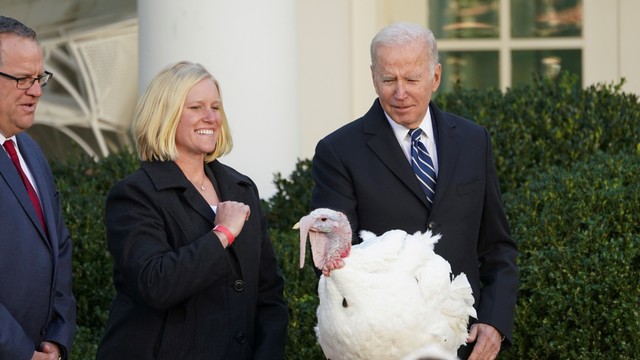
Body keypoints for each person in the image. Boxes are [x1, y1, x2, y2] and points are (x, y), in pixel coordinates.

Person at [310, 22, 518, 360]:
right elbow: (334, 265)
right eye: (389, 80)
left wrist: (494, 322)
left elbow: (497, 247)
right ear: (374, 77)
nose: (400, 92)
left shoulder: (473, 140)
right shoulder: (337, 152)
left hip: (466, 344)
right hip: (383, 350)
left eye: (411, 79)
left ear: (435, 77)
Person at [96, 61, 289, 359]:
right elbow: (155, 284)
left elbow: (269, 294)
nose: (211, 117)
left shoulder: (241, 189)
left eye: (216, 107)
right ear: (166, 116)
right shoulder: (135, 194)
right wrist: (222, 234)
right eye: (196, 107)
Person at [0, 16, 76, 360]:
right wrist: (20, 352)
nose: (37, 91)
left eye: (39, 78)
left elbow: (58, 247)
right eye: (22, 79)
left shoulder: (30, 150)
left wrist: (58, 341)